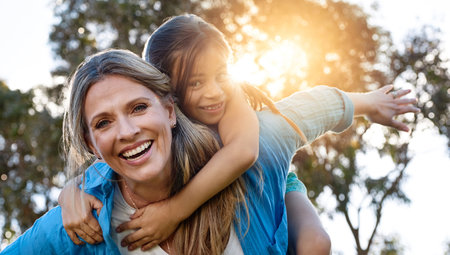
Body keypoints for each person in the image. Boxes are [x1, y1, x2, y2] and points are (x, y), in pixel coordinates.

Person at [58, 14, 419, 255]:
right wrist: (71, 190)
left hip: (277, 183)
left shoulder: (233, 101)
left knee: (315, 243)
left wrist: (369, 103)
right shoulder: (154, 123)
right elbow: (115, 162)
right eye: (196, 82)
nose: (213, 91)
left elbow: (250, 148)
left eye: (221, 74)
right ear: (166, 91)